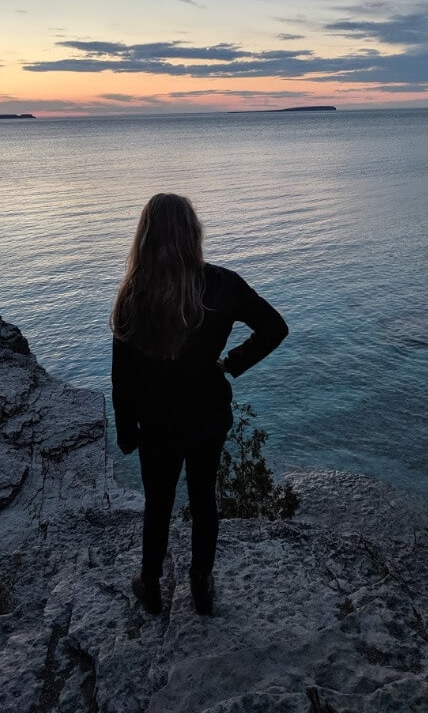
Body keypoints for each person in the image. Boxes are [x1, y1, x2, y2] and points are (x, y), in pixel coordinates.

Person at [111, 193, 287, 616]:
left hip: (156, 422)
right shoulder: (223, 284)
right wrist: (231, 363)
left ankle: (150, 585)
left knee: (159, 503)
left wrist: (124, 430)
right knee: (204, 497)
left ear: (146, 237)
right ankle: (201, 585)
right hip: (208, 415)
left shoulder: (134, 294)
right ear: (193, 234)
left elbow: (123, 376)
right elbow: (274, 328)